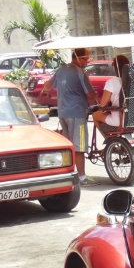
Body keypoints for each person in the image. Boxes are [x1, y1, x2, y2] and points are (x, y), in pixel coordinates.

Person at [42, 48, 97, 185]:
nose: (87, 62)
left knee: (68, 146)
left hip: (63, 113)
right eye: (86, 59)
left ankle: (69, 174)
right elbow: (90, 95)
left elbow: (47, 85)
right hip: (77, 113)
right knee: (80, 146)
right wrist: (95, 97)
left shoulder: (61, 69)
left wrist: (47, 93)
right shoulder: (80, 72)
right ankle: (82, 178)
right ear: (77, 58)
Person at [91, 54, 130, 137]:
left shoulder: (111, 82)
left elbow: (103, 105)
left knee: (95, 115)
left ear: (115, 68)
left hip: (119, 119)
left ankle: (107, 139)